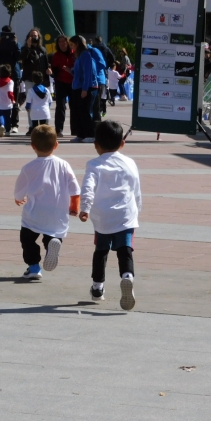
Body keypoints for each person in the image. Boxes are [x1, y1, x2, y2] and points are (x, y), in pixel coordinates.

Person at [79, 120, 141, 310]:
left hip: (103, 218)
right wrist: (137, 209)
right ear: (122, 143)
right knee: (125, 250)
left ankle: (98, 288)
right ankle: (127, 276)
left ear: (95, 144)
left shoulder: (93, 165)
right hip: (126, 215)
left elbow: (88, 188)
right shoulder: (130, 162)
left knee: (101, 251)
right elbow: (136, 188)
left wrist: (85, 208)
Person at [14, 125, 80, 280]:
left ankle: (34, 267)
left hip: (35, 213)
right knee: (52, 232)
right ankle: (53, 243)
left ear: (33, 146)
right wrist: (74, 205)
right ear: (56, 145)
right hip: (57, 212)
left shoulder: (28, 168)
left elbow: (19, 188)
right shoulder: (64, 165)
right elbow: (75, 188)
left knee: (27, 238)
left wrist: (18, 197)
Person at [20, 28, 52, 128]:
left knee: (44, 102)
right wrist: (28, 47)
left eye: (36, 35)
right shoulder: (25, 49)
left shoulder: (42, 49)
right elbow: (22, 59)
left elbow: (46, 62)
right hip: (30, 78)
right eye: (32, 35)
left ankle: (44, 124)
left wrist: (48, 69)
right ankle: (32, 126)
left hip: (41, 79)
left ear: (39, 37)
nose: (34, 37)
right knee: (31, 102)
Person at [69, 35, 98, 143]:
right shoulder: (79, 56)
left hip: (87, 87)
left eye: (72, 45)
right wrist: (70, 70)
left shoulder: (86, 55)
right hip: (78, 87)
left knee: (86, 111)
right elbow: (79, 71)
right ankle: (81, 134)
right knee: (79, 112)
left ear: (77, 44)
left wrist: (85, 89)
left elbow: (88, 73)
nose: (71, 47)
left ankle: (90, 135)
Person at [0, 25, 21, 133]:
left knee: (14, 99)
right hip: (2, 73)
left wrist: (16, 44)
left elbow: (19, 56)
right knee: (3, 99)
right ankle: (4, 124)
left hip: (14, 73)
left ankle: (14, 124)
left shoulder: (15, 44)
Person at [50, 34, 74, 137]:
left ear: (68, 43)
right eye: (59, 42)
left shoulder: (74, 54)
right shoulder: (56, 55)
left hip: (74, 84)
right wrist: (52, 72)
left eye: (64, 42)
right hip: (61, 83)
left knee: (74, 107)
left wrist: (70, 70)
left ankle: (75, 130)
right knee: (60, 106)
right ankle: (58, 130)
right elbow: (54, 70)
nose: (62, 44)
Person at [0, 64, 15, 138]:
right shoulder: (10, 82)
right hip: (8, 103)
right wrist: (12, 99)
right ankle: (7, 131)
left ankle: (1, 125)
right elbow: (10, 92)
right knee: (7, 117)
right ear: (9, 73)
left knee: (0, 115)